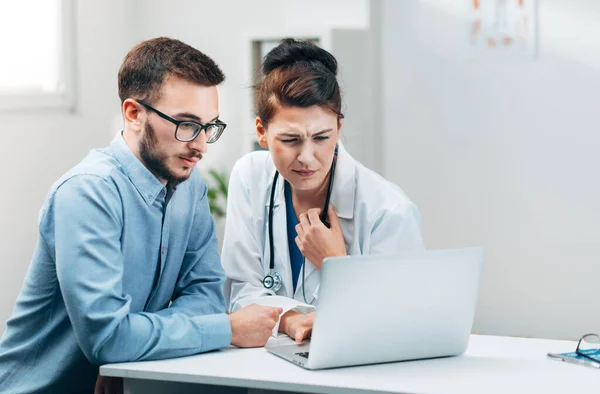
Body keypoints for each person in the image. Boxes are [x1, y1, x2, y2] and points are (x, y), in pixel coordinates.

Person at [0, 37, 281, 394]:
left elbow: (207, 295)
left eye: (209, 126)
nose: (200, 145)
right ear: (134, 114)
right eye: (187, 124)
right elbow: (109, 339)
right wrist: (228, 328)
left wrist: (134, 348)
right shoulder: (87, 192)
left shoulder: (189, 186)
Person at [221, 38, 424, 343]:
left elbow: (404, 321)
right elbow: (240, 290)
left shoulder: (388, 211)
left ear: (339, 128)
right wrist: (290, 321)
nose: (306, 157)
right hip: (265, 368)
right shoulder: (249, 177)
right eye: (290, 140)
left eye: (321, 137)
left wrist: (338, 266)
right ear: (262, 132)